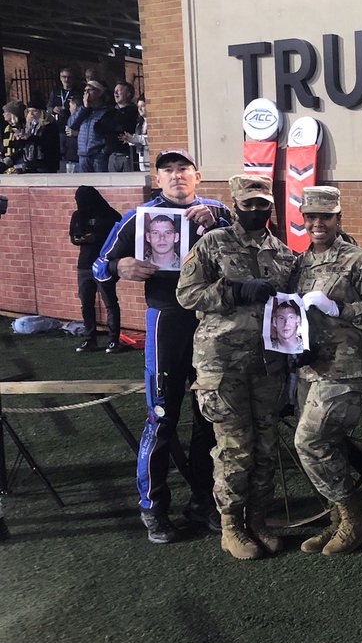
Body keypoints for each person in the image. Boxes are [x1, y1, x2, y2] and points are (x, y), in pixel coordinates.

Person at [94, 149, 230, 543]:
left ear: (197, 175)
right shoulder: (139, 217)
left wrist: (221, 220)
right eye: (167, 171)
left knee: (210, 414)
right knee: (162, 415)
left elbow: (252, 242)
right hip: (166, 320)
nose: (175, 176)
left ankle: (205, 500)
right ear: (159, 178)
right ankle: (153, 507)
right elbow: (98, 264)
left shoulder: (218, 211)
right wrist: (120, 267)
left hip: (212, 322)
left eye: (182, 169)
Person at [177, 174, 297, 560]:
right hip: (222, 365)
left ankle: (258, 519)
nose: (256, 210)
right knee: (234, 450)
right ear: (234, 205)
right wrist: (232, 291)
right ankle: (231, 525)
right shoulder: (212, 243)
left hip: (267, 364)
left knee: (265, 449)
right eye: (249, 204)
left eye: (263, 204)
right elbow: (186, 294)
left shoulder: (282, 253)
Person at [289, 186, 362, 555]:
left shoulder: (357, 260)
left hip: (345, 368)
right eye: (311, 217)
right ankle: (335, 520)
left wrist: (341, 310)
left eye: (325, 217)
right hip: (309, 368)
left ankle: (353, 517)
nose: (318, 224)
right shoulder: (299, 264)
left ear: (338, 218)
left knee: (310, 441)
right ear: (303, 219)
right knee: (327, 444)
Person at [69, 186, 122, 352]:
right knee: (86, 303)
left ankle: (113, 340)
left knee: (110, 302)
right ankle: (90, 339)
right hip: (84, 265)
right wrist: (80, 239)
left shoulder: (109, 214)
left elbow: (119, 235)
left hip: (103, 263)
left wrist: (96, 238)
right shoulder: (78, 215)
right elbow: (73, 236)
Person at [66, 81, 116, 173]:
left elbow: (111, 134)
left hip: (98, 156)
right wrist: (84, 108)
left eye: (89, 90)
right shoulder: (83, 110)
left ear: (99, 93)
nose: (86, 93)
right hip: (83, 155)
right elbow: (71, 125)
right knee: (85, 185)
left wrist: (103, 152)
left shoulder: (107, 111)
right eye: (85, 91)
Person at [108, 82, 139, 172]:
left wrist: (113, 127)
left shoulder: (134, 111)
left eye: (119, 90)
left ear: (128, 93)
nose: (115, 93)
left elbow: (127, 127)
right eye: (114, 91)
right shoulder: (111, 112)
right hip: (112, 155)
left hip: (127, 155)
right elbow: (98, 127)